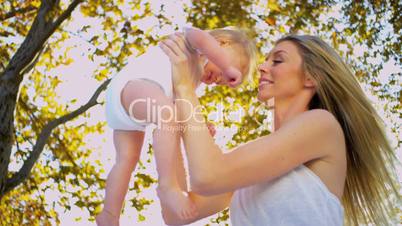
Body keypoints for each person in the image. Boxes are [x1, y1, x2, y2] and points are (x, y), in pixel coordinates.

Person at [158, 34, 400, 225]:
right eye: (266, 60)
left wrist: (184, 87)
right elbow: (177, 215)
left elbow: (207, 176)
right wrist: (177, 127)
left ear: (311, 77)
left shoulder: (322, 124)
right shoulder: (258, 162)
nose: (263, 67)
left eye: (278, 60)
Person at [96, 27, 257, 226]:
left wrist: (199, 125)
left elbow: (183, 107)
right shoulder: (192, 44)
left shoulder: (191, 77)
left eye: (222, 82)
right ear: (222, 42)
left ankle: (109, 215)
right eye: (222, 72)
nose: (218, 79)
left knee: (126, 160)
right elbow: (198, 35)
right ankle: (167, 185)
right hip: (134, 85)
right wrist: (229, 67)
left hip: (127, 108)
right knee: (166, 115)